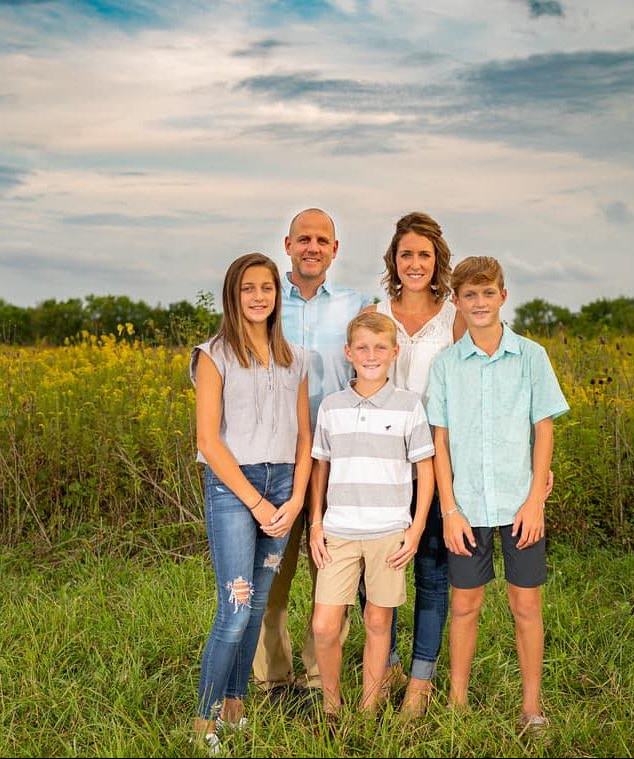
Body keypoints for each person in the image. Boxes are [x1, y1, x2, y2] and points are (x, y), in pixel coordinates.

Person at [426, 256, 569, 736]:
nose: (480, 302)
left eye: (488, 293)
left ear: (503, 296)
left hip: (518, 504)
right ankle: (457, 704)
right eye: (470, 295)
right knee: (465, 605)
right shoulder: (446, 364)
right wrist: (448, 509)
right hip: (466, 507)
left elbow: (543, 430)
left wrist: (535, 501)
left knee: (525, 605)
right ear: (457, 303)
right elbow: (439, 441)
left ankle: (531, 709)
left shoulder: (531, 356)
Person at [190, 252, 312, 751]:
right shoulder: (213, 354)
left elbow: (306, 436)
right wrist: (257, 504)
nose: (259, 297)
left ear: (276, 295)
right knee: (236, 608)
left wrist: (298, 494)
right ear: (232, 296)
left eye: (266, 287)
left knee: (259, 603)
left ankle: (237, 704)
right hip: (234, 488)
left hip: (284, 485)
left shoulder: (297, 357)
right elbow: (207, 441)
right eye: (248, 289)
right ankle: (204, 723)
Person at [253, 208, 372, 700]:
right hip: (275, 457)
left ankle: (320, 675)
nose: (312, 247)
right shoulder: (264, 300)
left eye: (322, 240)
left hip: (338, 458)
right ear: (287, 244)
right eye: (304, 238)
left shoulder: (356, 304)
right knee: (273, 572)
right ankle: (273, 678)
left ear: (335, 249)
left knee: (334, 573)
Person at [360, 211, 465, 716]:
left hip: (438, 463)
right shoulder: (375, 311)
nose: (415, 263)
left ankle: (421, 682)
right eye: (406, 254)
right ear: (393, 261)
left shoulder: (455, 317)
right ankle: (390, 665)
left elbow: (475, 391)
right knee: (377, 572)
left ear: (437, 260)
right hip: (381, 467)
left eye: (424, 254)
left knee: (431, 572)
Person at [308, 312, 435, 718]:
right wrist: (315, 523)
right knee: (325, 625)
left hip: (389, 531)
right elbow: (320, 467)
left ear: (394, 353)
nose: (371, 355)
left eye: (380, 347)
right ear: (349, 353)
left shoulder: (408, 406)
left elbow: (426, 471)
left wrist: (414, 530)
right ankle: (332, 706)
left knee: (378, 620)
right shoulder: (332, 407)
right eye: (362, 347)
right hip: (339, 530)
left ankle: (369, 707)